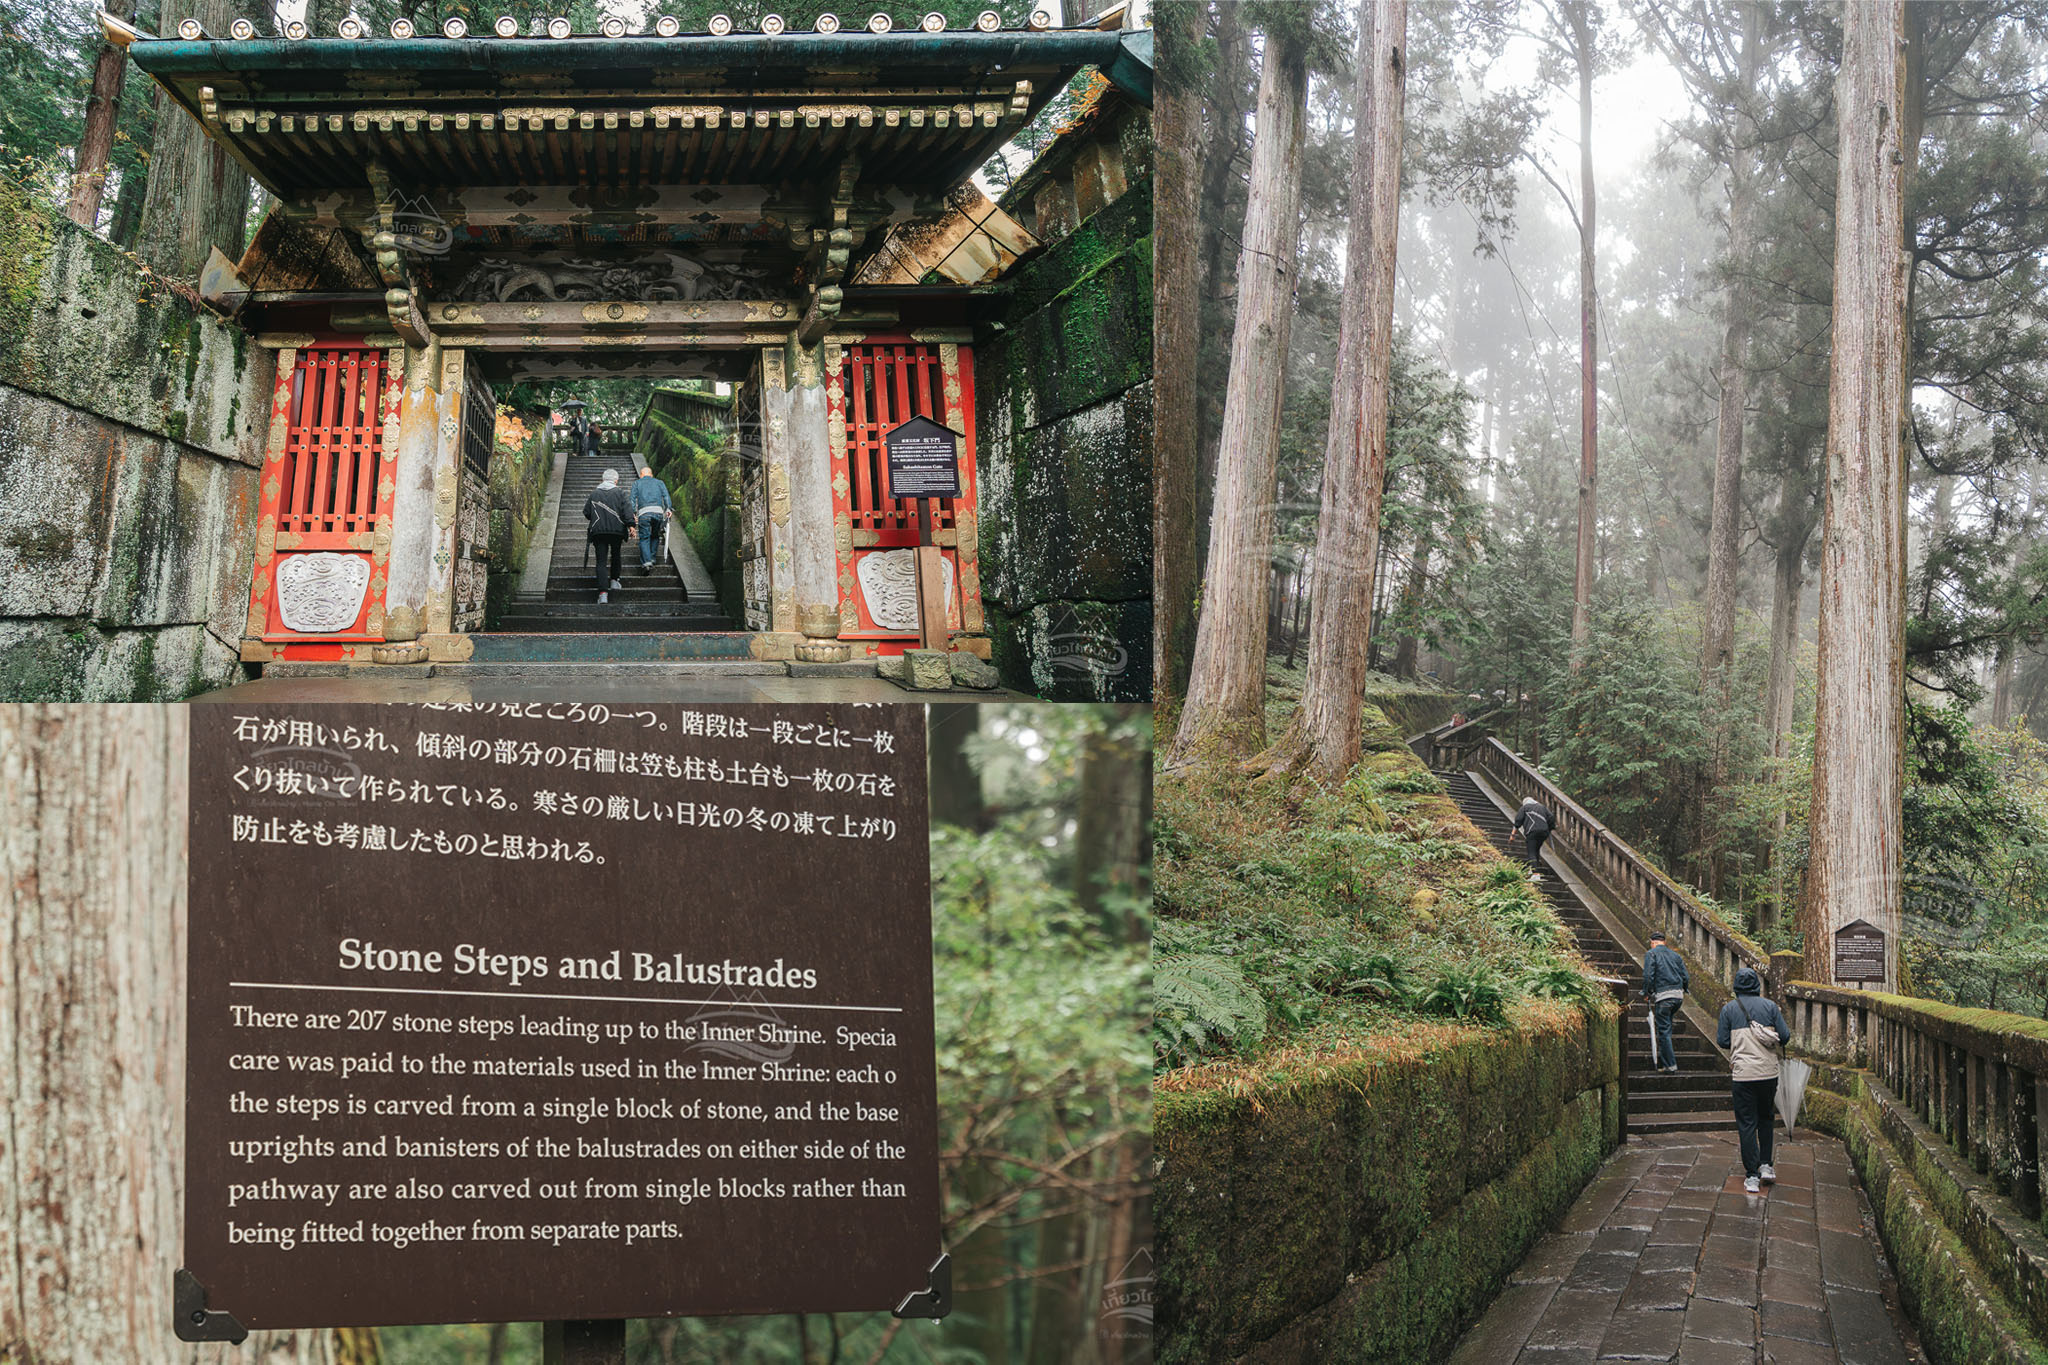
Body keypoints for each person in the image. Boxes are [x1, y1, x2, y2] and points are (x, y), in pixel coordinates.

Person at [1717, 966, 1791, 1193]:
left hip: (1743, 1075)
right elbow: (1785, 1036)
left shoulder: (1729, 1009)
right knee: (1766, 1118)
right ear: (1757, 986)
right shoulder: (1770, 1006)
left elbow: (1722, 1041)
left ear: (1736, 986)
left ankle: (1751, 1176)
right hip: (1768, 1073)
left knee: (1747, 1123)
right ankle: (1766, 1165)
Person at [1641, 930, 1689, 1074]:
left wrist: (1647, 992)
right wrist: (1684, 989)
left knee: (1664, 1031)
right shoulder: (1675, 955)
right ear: (1664, 942)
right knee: (1666, 1028)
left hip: (1664, 997)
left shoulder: (1652, 954)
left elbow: (1648, 975)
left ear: (1653, 942)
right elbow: (1685, 976)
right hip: (1678, 997)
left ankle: (1670, 1065)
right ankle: (1665, 1060)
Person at [583, 468, 633, 603]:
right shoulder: (620, 492)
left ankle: (603, 593)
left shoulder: (594, 493)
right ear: (616, 480)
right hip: (617, 531)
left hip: (599, 532)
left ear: (603, 480)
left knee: (601, 561)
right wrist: (631, 525)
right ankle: (614, 581)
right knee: (616, 555)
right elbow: (627, 511)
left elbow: (587, 512)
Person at [630, 463, 673, 573]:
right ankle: (653, 558)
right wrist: (668, 509)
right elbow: (666, 496)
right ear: (651, 475)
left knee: (644, 537)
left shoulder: (637, 483)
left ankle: (647, 562)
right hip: (658, 513)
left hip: (644, 513)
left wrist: (633, 513)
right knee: (655, 535)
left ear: (641, 475)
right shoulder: (659, 482)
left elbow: (632, 500)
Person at [1506, 796, 1555, 876]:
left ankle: (1535, 874)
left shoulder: (1525, 808)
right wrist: (1549, 828)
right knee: (1536, 850)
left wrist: (1512, 835)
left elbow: (1518, 821)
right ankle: (1532, 869)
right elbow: (1551, 817)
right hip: (1544, 832)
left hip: (1532, 832)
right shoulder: (1542, 807)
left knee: (1531, 852)